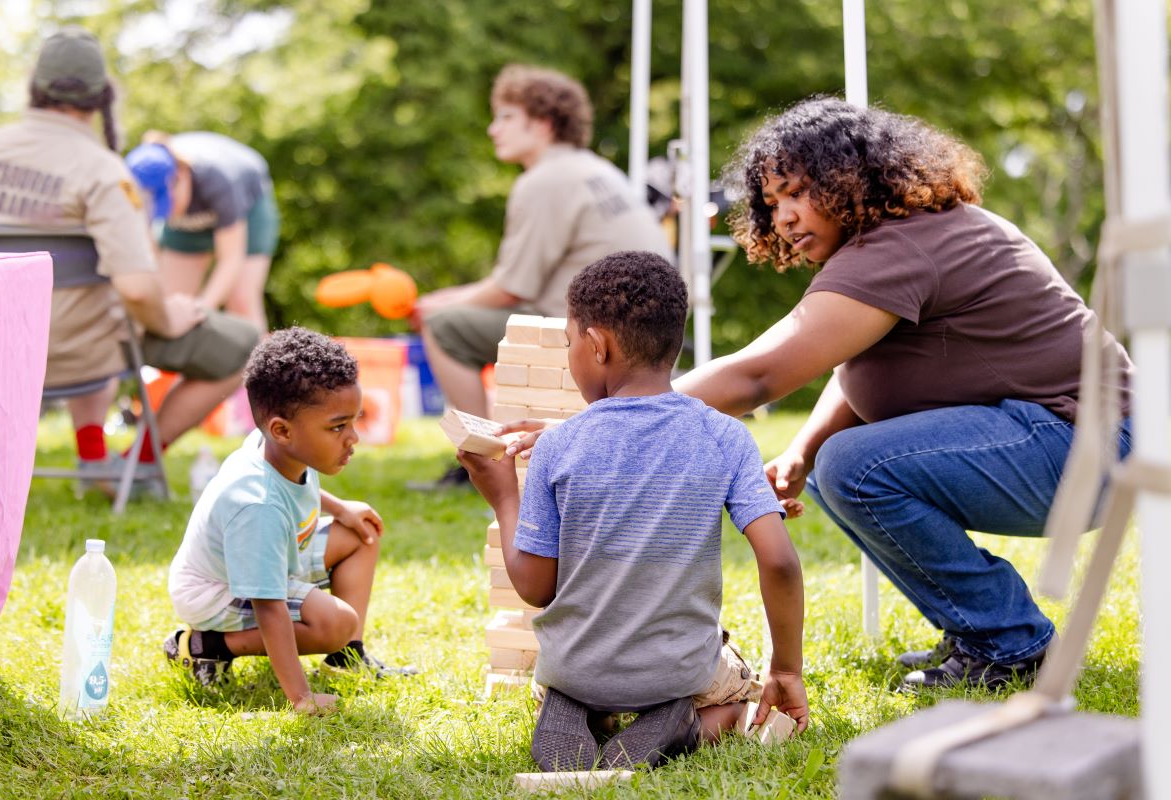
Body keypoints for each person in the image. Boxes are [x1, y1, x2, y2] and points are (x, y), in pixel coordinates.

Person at [670, 97, 1134, 690]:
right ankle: (984, 631)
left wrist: (610, 418)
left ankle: (1008, 642)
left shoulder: (899, 249)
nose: (783, 217)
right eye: (772, 203)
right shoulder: (897, 241)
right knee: (837, 466)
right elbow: (858, 368)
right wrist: (800, 453)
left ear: (846, 177)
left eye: (797, 192)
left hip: (1090, 445)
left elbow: (758, 376)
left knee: (858, 466)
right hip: (1074, 441)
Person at [459, 252, 808, 771]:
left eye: (569, 343)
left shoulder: (560, 447)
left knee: (574, 677)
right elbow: (778, 561)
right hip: (678, 670)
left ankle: (578, 709)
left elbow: (535, 588)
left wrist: (505, 497)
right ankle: (686, 726)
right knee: (736, 695)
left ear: (596, 345)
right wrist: (787, 669)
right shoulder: (725, 436)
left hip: (576, 667)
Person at [0, 27, 258, 493]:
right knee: (243, 344)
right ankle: (135, 465)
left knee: (94, 317)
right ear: (101, 96)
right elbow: (139, 290)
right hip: (77, 352)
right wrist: (171, 317)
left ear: (33, 87)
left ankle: (95, 461)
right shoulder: (102, 169)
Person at [413, 64, 671, 489]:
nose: (493, 128)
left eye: (506, 116)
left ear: (544, 123)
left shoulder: (544, 180)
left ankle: (480, 459)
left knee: (444, 328)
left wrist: (434, 304)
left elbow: (512, 288)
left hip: (586, 333)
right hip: (646, 334)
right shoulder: (598, 170)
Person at [164, 328, 413, 713]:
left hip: (267, 555)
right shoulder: (257, 506)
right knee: (335, 624)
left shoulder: (279, 447)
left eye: (353, 422)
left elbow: (298, 487)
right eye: (337, 427)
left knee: (360, 531)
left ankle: (345, 660)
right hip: (217, 589)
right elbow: (269, 607)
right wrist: (301, 697)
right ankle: (204, 646)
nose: (353, 438)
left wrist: (340, 507)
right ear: (281, 429)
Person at [125, 130, 278, 333]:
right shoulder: (133, 188)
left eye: (167, 203)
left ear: (180, 176)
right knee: (171, 301)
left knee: (241, 301)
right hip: (190, 224)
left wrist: (200, 311)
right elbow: (148, 254)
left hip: (248, 208)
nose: (166, 213)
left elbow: (231, 259)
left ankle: (258, 362)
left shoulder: (219, 178)